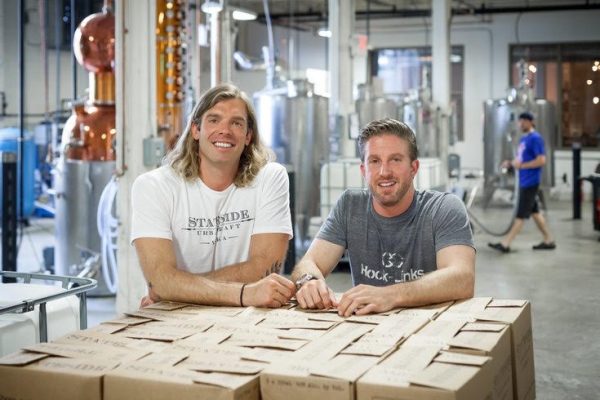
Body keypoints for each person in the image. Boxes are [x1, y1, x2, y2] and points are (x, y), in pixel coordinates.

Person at [131, 83, 296, 308]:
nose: (225, 130)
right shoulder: (153, 186)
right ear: (196, 130)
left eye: (236, 123)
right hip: (179, 319)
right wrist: (244, 293)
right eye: (214, 120)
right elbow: (160, 280)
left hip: (244, 317)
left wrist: (175, 290)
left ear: (248, 136)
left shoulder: (270, 178)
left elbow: (263, 268)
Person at [292, 118, 475, 317]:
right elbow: (309, 263)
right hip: (368, 332)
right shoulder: (350, 206)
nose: (384, 172)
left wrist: (390, 295)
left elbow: (462, 277)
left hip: (430, 329)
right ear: (363, 170)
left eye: (395, 160)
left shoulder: (443, 208)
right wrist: (308, 282)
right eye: (375, 161)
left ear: (414, 168)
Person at [488, 111, 556, 253]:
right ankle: (548, 240)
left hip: (531, 182)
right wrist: (511, 163)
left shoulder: (535, 138)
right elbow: (520, 160)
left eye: (523, 121)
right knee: (535, 212)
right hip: (524, 181)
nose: (520, 124)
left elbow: (541, 160)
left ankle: (505, 243)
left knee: (520, 214)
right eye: (520, 121)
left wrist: (522, 166)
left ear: (530, 122)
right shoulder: (524, 139)